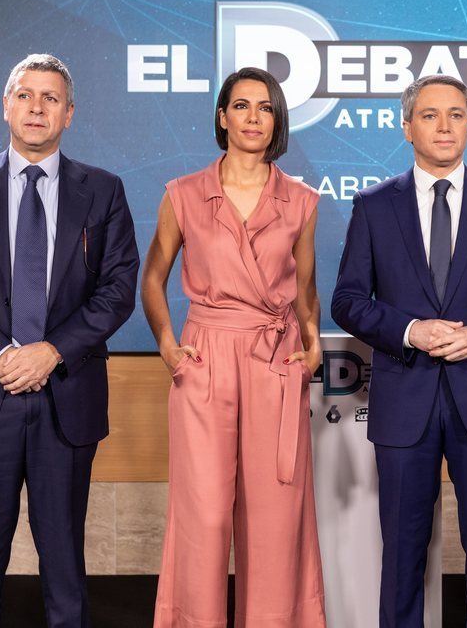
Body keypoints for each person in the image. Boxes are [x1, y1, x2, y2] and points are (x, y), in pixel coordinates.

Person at [0, 53, 140, 627]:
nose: (36, 107)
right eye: (25, 95)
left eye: (50, 98)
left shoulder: (105, 191)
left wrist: (51, 352)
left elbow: (117, 292)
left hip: (66, 400)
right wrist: (1, 355)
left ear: (70, 113)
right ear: (6, 105)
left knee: (66, 572)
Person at [331, 74, 467, 628]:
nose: (445, 126)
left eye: (457, 114)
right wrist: (410, 331)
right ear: (407, 127)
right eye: (430, 115)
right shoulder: (375, 206)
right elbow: (348, 301)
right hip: (405, 402)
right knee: (402, 552)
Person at [142, 67, 326, 628]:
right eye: (241, 106)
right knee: (203, 516)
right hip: (205, 357)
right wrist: (169, 348)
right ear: (221, 117)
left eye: (265, 107)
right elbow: (152, 277)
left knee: (275, 517)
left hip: (275, 358)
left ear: (277, 121)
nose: (253, 117)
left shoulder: (301, 200)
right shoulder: (183, 194)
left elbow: (307, 288)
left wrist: (313, 346)